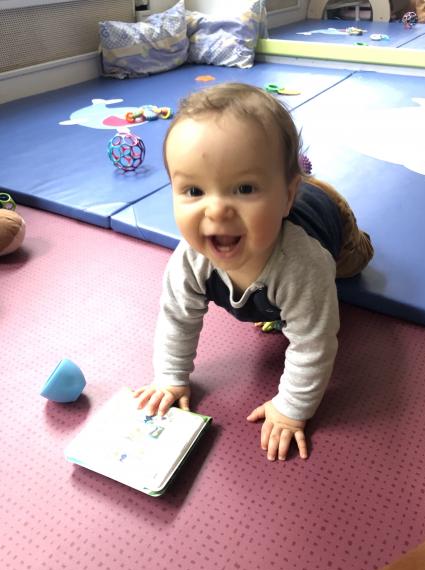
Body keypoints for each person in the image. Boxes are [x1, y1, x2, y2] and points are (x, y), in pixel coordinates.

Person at [133, 82, 373, 462]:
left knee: (356, 263)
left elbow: (314, 344)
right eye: (194, 191)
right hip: (294, 205)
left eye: (244, 188)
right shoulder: (189, 260)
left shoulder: (303, 265)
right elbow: (177, 318)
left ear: (286, 196)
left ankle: (315, 192)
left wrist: (292, 408)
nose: (216, 210)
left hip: (330, 221)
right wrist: (171, 376)